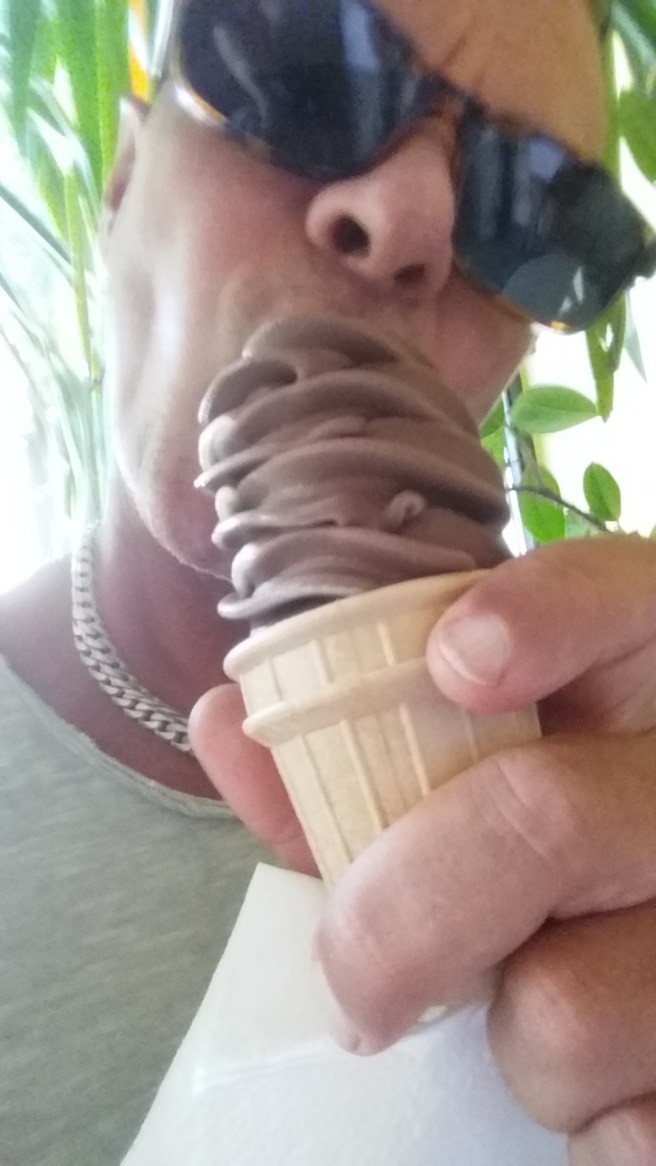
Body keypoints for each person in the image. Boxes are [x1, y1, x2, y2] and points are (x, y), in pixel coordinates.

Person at [1, 0, 655, 1162]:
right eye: (299, 65)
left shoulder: (617, 749)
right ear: (120, 180)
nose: (411, 218)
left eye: (530, 215)